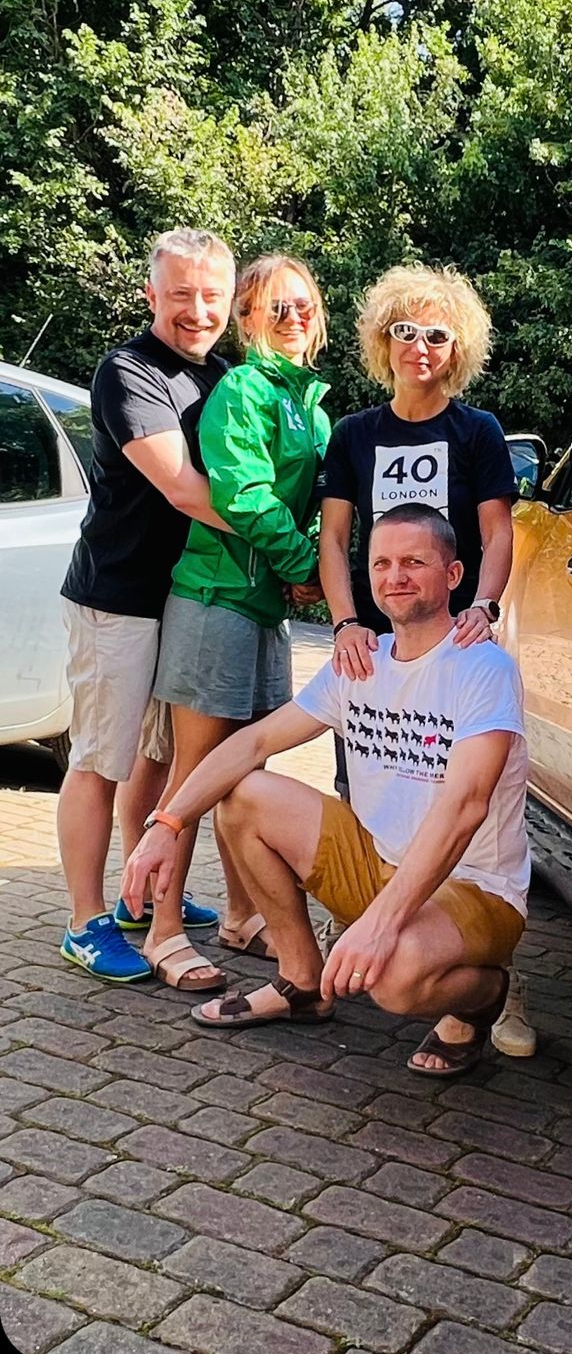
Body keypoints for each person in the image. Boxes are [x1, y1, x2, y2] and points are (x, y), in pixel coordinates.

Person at [121, 504, 529, 1079]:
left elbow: (465, 807)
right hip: (376, 861)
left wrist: (380, 926)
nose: (396, 577)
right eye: (382, 563)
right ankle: (301, 982)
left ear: (453, 574)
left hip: (473, 885)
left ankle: (481, 999)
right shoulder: (361, 662)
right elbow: (253, 742)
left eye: (414, 562)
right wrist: (167, 824)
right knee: (244, 795)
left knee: (393, 981)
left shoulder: (482, 667)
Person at [318, 262, 536, 1058]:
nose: (419, 345)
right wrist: (345, 620)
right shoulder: (355, 434)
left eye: (436, 334)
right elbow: (334, 537)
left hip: (458, 636)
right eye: (404, 330)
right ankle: (370, 924)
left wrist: (485, 604)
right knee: (369, 780)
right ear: (384, 339)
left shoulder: (476, 432)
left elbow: (499, 532)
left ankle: (489, 972)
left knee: (466, 793)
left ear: (457, 347)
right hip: (378, 645)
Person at [141, 254, 332, 991]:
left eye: (304, 305)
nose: (294, 318)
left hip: (264, 608)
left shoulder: (310, 404)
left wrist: (309, 563)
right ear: (247, 318)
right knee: (195, 777)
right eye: (277, 307)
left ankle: (241, 914)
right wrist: (305, 565)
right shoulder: (244, 390)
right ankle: (162, 930)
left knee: (248, 773)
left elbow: (314, 508)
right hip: (214, 599)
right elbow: (246, 495)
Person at [57, 228, 235, 982]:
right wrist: (284, 543)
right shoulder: (127, 371)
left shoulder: (222, 374)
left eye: (212, 295)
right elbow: (184, 488)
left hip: (183, 597)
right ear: (151, 294)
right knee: (102, 760)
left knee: (155, 758)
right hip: (118, 599)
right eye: (181, 293)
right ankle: (83, 920)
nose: (198, 310)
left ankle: (138, 893)